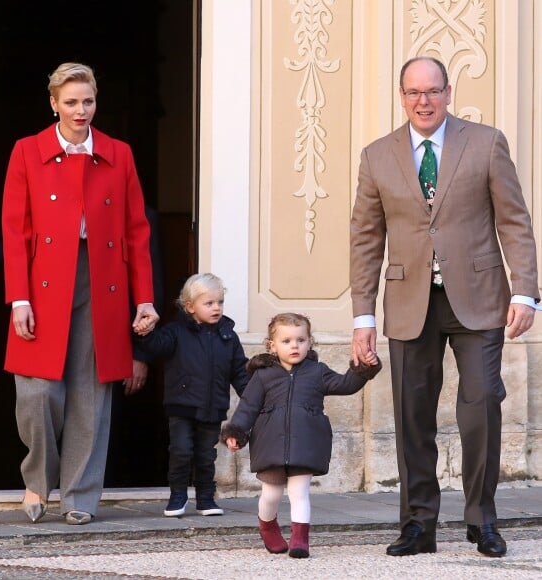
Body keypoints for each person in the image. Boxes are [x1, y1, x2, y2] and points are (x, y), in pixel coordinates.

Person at [350, 56, 540, 558]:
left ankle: (482, 520)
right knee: (413, 417)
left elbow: (514, 222)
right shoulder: (376, 156)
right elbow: (366, 240)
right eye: (413, 93)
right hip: (410, 302)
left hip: (479, 300)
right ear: (401, 96)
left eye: (432, 91)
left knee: (480, 409)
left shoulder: (486, 143)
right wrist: (363, 316)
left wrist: (525, 291)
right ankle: (417, 525)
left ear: (449, 92)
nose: (424, 101)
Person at [1, 62, 159, 525]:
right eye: (70, 102)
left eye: (87, 101)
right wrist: (19, 299)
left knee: (92, 393)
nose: (80, 110)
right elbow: (15, 231)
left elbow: (137, 231)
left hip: (102, 276)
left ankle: (80, 497)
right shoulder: (27, 152)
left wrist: (144, 297)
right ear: (53, 104)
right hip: (44, 279)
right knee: (37, 393)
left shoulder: (118, 153)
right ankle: (37, 481)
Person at [221, 313, 381, 558]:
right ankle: (268, 526)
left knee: (299, 493)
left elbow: (346, 385)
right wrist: (237, 432)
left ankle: (300, 539)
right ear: (272, 346)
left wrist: (365, 367)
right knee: (271, 494)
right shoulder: (263, 375)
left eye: (301, 340)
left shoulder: (317, 372)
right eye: (286, 341)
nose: (294, 346)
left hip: (305, 443)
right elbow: (248, 407)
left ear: (310, 342)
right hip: (270, 443)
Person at [135, 272, 249, 517]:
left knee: (206, 456)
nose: (216, 308)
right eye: (209, 303)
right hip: (181, 406)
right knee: (181, 451)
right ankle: (177, 496)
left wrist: (252, 395)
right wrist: (146, 332)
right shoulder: (176, 332)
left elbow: (239, 370)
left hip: (213, 407)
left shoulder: (228, 336)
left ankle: (206, 499)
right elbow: (157, 346)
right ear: (190, 307)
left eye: (219, 303)